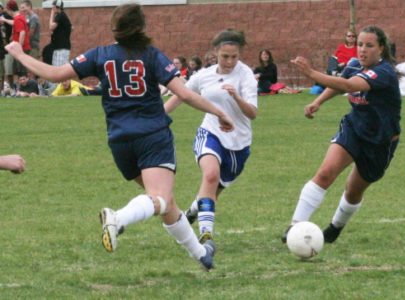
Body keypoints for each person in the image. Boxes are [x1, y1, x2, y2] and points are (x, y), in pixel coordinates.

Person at [6, 3, 235, 271]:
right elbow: (183, 93)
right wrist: (219, 112)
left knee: (165, 202)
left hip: (120, 142)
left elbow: (54, 74)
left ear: (114, 28)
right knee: (159, 199)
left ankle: (201, 255)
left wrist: (20, 54)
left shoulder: (101, 54)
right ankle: (118, 217)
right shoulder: (151, 55)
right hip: (152, 136)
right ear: (142, 28)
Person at [282, 26, 401, 244]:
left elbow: (348, 85)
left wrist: (311, 74)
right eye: (360, 45)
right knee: (325, 173)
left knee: (353, 191)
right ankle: (295, 226)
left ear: (381, 48)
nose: (362, 50)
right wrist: (317, 101)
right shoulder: (355, 64)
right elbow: (339, 85)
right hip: (354, 129)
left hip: (380, 142)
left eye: (369, 45)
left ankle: (335, 227)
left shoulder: (384, 72)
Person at [165, 29, 258, 247]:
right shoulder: (203, 75)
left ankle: (191, 212)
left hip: (239, 144)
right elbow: (181, 95)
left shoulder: (245, 76)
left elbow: (252, 113)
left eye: (234, 56)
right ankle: (206, 236)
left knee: (212, 193)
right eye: (225, 56)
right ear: (216, 52)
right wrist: (159, 117)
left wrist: (236, 96)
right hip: (210, 133)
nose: (230, 61)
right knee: (211, 176)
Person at [0, 0, 30, 88]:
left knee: (22, 71)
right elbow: (15, 23)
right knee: (20, 70)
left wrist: (19, 48)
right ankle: (21, 89)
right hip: (23, 48)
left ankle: (25, 90)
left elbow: (22, 32)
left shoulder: (18, 18)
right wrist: (5, 20)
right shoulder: (19, 18)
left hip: (22, 49)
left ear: (10, 9)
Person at [49, 0, 71, 67]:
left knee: (60, 69)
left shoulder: (60, 15)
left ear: (56, 7)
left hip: (62, 48)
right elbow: (71, 27)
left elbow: (51, 27)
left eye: (53, 7)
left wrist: (52, 14)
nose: (52, 9)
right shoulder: (61, 16)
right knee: (56, 70)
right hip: (59, 47)